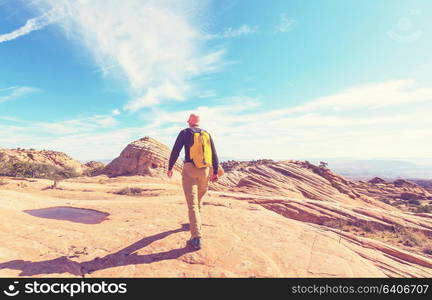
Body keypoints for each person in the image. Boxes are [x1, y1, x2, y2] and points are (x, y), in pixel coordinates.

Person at [167, 113, 219, 250]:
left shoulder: (185, 132)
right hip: (205, 170)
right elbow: (214, 154)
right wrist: (214, 172)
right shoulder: (206, 133)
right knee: (199, 200)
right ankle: (196, 224)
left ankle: (196, 237)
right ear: (199, 123)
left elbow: (176, 151)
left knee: (192, 204)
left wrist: (170, 167)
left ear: (189, 122)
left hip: (190, 169)